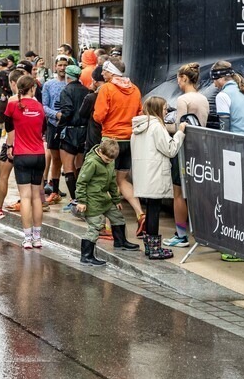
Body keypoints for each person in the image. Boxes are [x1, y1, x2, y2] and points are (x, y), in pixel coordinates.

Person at [93, 57, 145, 235]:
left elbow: (99, 115)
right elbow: (140, 113)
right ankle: (140, 213)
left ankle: (107, 226)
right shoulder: (135, 89)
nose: (102, 74)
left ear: (112, 71)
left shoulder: (106, 89)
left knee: (105, 183)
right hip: (129, 140)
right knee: (122, 180)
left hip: (110, 140)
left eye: (105, 71)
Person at [131, 97, 186, 259]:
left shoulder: (138, 127)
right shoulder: (156, 127)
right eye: (164, 109)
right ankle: (155, 249)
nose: (166, 112)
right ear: (156, 110)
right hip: (155, 173)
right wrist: (180, 132)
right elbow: (170, 149)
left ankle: (150, 247)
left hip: (143, 174)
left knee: (151, 209)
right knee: (154, 210)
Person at [76, 139, 138, 266]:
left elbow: (112, 182)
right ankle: (86, 256)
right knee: (95, 226)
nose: (109, 162)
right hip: (92, 200)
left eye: (111, 160)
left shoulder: (110, 161)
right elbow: (81, 182)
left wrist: (116, 199)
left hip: (104, 198)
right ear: (100, 152)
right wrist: (81, 201)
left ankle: (120, 241)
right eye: (106, 160)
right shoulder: (92, 163)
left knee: (118, 217)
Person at [169, 62, 209, 247]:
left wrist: (163, 126)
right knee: (198, 192)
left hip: (184, 149)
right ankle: (205, 231)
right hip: (200, 148)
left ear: (184, 78)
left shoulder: (183, 100)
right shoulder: (203, 98)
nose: (177, 82)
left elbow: (179, 128)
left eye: (178, 79)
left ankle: (181, 235)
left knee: (178, 193)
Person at [5, 74, 47, 249]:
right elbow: (43, 128)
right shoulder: (40, 107)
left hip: (21, 154)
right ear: (32, 89)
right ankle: (38, 238)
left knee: (25, 197)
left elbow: (8, 126)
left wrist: (9, 147)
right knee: (37, 197)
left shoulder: (13, 105)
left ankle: (27, 238)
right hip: (39, 155)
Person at [0, 67, 24, 221]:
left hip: (13, 144)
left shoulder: (12, 101)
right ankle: (26, 205)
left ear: (13, 83)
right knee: (26, 181)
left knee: (3, 177)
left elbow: (8, 126)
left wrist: (9, 146)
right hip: (28, 145)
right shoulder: (34, 101)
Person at [56, 64, 89, 212]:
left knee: (68, 167)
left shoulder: (66, 91)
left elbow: (67, 111)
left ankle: (75, 200)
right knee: (80, 166)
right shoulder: (87, 91)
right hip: (84, 132)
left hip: (69, 132)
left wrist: (59, 124)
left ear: (68, 77)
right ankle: (83, 198)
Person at [41, 55, 71, 203]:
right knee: (55, 158)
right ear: (55, 66)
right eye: (60, 65)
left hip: (68, 126)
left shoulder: (71, 84)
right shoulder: (48, 84)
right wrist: (56, 114)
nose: (62, 68)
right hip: (53, 124)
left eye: (65, 65)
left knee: (68, 159)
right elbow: (44, 106)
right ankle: (54, 188)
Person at [213, 61, 244, 136]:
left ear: (220, 78)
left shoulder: (222, 96)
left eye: (214, 80)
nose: (214, 85)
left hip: (237, 145)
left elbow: (224, 130)